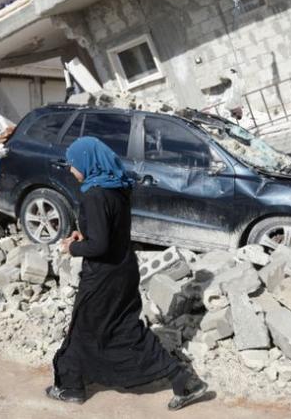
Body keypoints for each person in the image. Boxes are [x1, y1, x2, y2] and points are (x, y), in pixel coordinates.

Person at [46, 137, 209, 411]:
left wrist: (72, 247)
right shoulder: (117, 187)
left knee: (83, 328)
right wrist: (82, 235)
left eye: (74, 165)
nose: (72, 171)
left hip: (103, 278)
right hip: (123, 270)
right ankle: (183, 379)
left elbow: (98, 245)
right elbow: (106, 232)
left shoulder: (94, 194)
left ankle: (72, 386)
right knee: (123, 329)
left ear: (88, 163)